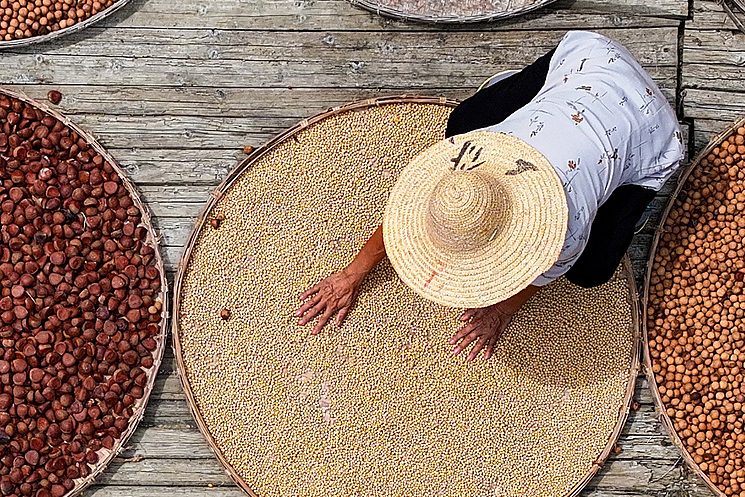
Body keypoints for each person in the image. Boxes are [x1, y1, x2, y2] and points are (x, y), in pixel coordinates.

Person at [293, 31, 686, 360]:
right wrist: (351, 275)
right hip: (592, 61)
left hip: (647, 123)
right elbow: (406, 223)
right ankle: (529, 94)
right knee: (460, 123)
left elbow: (538, 278)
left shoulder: (564, 227)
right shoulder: (464, 159)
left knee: (592, 270)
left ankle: (632, 195)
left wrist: (500, 312)